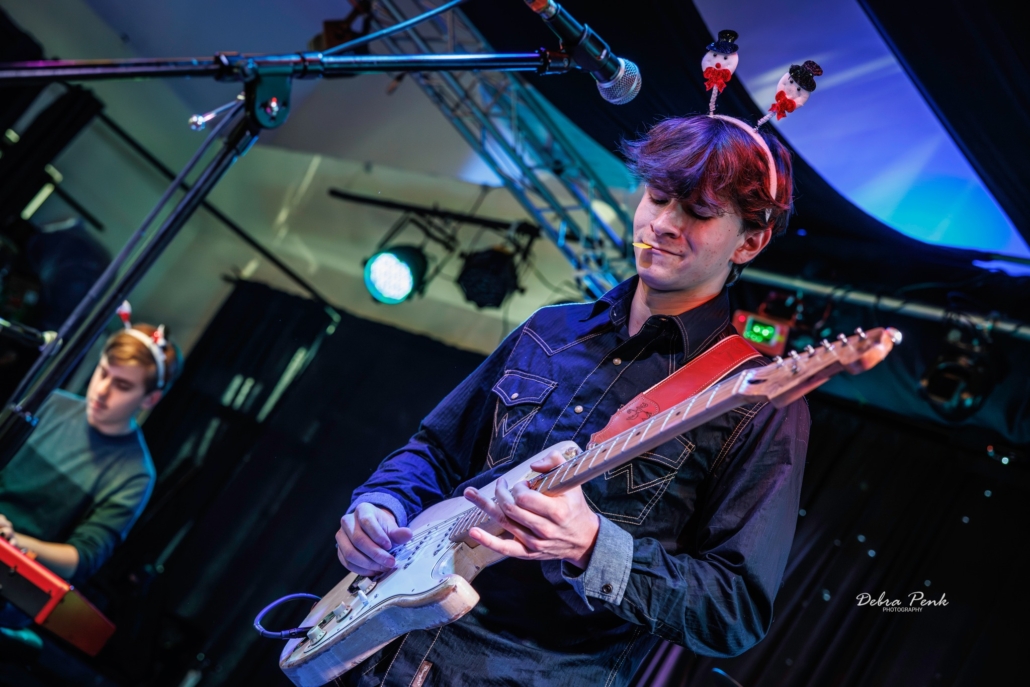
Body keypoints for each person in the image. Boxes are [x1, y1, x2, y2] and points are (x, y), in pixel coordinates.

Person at [334, 115, 810, 686]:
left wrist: (591, 545)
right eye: (657, 197)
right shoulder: (550, 329)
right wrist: (381, 504)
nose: (662, 223)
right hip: (380, 649)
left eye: (698, 212)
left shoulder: (758, 403)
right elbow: (437, 449)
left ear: (751, 241)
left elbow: (734, 611)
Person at [0, 317, 178, 587]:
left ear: (150, 399)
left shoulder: (135, 474)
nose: (102, 391)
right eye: (103, 372)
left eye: (122, 386)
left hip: (14, 580)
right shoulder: (49, 403)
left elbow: (82, 558)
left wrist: (11, 540)